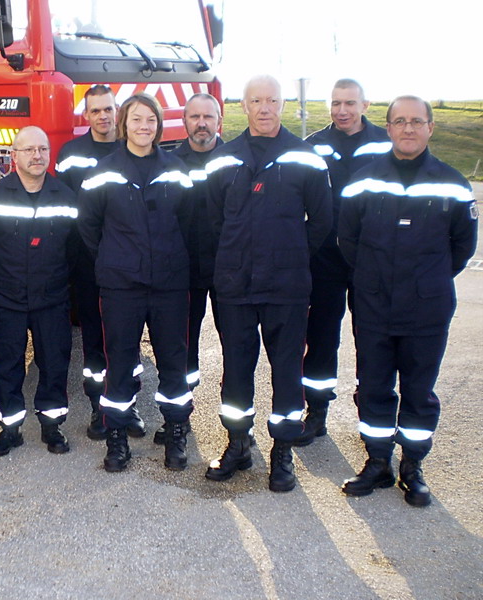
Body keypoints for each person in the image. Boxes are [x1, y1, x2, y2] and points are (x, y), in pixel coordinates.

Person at [338, 95, 477, 507]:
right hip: (374, 305)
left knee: (419, 391)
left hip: (427, 308)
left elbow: (462, 248)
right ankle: (377, 462)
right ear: (389, 128)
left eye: (417, 121)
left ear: (430, 128)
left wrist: (425, 281)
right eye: (400, 121)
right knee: (375, 387)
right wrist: (374, 280)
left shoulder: (452, 182)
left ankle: (412, 468)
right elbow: (348, 242)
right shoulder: (363, 180)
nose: (409, 129)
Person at [204, 76, 331, 492]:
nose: (264, 108)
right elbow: (214, 223)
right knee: (236, 371)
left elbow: (322, 223)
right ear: (244, 105)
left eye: (272, 100)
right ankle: (238, 444)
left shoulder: (307, 158)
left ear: (282, 104)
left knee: (286, 373)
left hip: (286, 288)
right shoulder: (224, 159)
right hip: (236, 289)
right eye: (256, 100)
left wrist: (290, 258)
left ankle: (282, 455)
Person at [78, 93, 194, 472]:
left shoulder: (175, 169)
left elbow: (190, 223)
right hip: (121, 286)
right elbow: (89, 227)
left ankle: (176, 434)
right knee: (121, 363)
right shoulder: (104, 171)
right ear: (123, 123)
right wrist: (116, 257)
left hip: (169, 285)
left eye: (151, 120)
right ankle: (117, 437)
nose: (144, 127)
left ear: (159, 125)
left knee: (173, 363)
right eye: (137, 119)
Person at [0, 126, 77, 456]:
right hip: (6, 298)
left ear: (49, 154)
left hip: (52, 298)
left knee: (55, 363)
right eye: (28, 150)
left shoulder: (66, 198)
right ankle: (10, 429)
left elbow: (74, 247)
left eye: (42, 149)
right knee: (7, 364)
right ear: (13, 156)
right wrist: (4, 275)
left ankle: (52, 425)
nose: (37, 156)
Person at [294, 79, 392, 446]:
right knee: (319, 338)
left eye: (350, 103)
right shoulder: (314, 146)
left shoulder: (387, 144)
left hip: (371, 259)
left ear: (365, 104)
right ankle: (316, 412)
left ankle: (373, 418)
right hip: (326, 259)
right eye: (336, 103)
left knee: (372, 339)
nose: (342, 111)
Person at [55, 85, 146, 441]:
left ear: (117, 111)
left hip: (129, 264)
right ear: (86, 115)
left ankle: (129, 403)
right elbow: (67, 209)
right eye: (96, 111)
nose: (103, 117)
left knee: (127, 338)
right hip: (88, 263)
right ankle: (98, 405)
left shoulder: (132, 151)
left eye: (108, 109)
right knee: (94, 335)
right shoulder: (72, 154)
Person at [166, 93, 224, 437]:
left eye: (208, 117)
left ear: (219, 120)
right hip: (183, 269)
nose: (201, 123)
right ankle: (181, 414)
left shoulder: (235, 160)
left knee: (235, 344)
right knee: (181, 343)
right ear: (185, 121)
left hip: (226, 268)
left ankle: (237, 425)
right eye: (194, 117)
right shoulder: (170, 163)